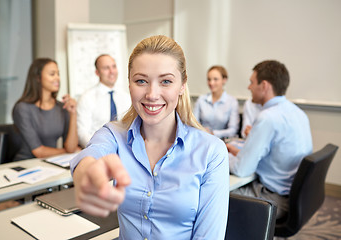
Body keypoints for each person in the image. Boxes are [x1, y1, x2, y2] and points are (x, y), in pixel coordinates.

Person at [70, 35, 229, 239]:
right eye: (141, 81)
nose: (152, 94)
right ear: (129, 84)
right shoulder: (114, 134)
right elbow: (89, 157)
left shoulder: (210, 151)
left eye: (165, 81)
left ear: (182, 85)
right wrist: (89, 174)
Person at [226, 60, 313, 219]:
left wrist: (220, 155)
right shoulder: (298, 113)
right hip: (294, 197)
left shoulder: (268, 118)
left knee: (215, 194)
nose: (249, 87)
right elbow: (272, 155)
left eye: (252, 82)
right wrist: (239, 152)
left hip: (273, 198)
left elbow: (242, 169)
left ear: (264, 85)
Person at [13, 58, 80, 160]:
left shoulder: (62, 107)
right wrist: (67, 152)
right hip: (26, 164)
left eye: (58, 74)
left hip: (50, 162)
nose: (57, 78)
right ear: (38, 78)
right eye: (52, 74)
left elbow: (71, 147)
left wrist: (73, 113)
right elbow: (38, 152)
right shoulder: (22, 108)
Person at [77, 54, 131, 148]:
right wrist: (101, 148)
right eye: (106, 68)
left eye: (114, 67)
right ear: (97, 72)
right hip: (97, 151)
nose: (112, 71)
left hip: (124, 150)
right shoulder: (87, 98)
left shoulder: (126, 97)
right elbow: (82, 134)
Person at [193, 65, 239, 139]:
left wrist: (213, 133)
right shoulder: (201, 100)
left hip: (221, 141)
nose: (211, 83)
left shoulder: (232, 102)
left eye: (215, 79)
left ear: (224, 80)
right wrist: (202, 131)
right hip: (201, 138)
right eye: (209, 79)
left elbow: (233, 130)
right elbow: (193, 123)